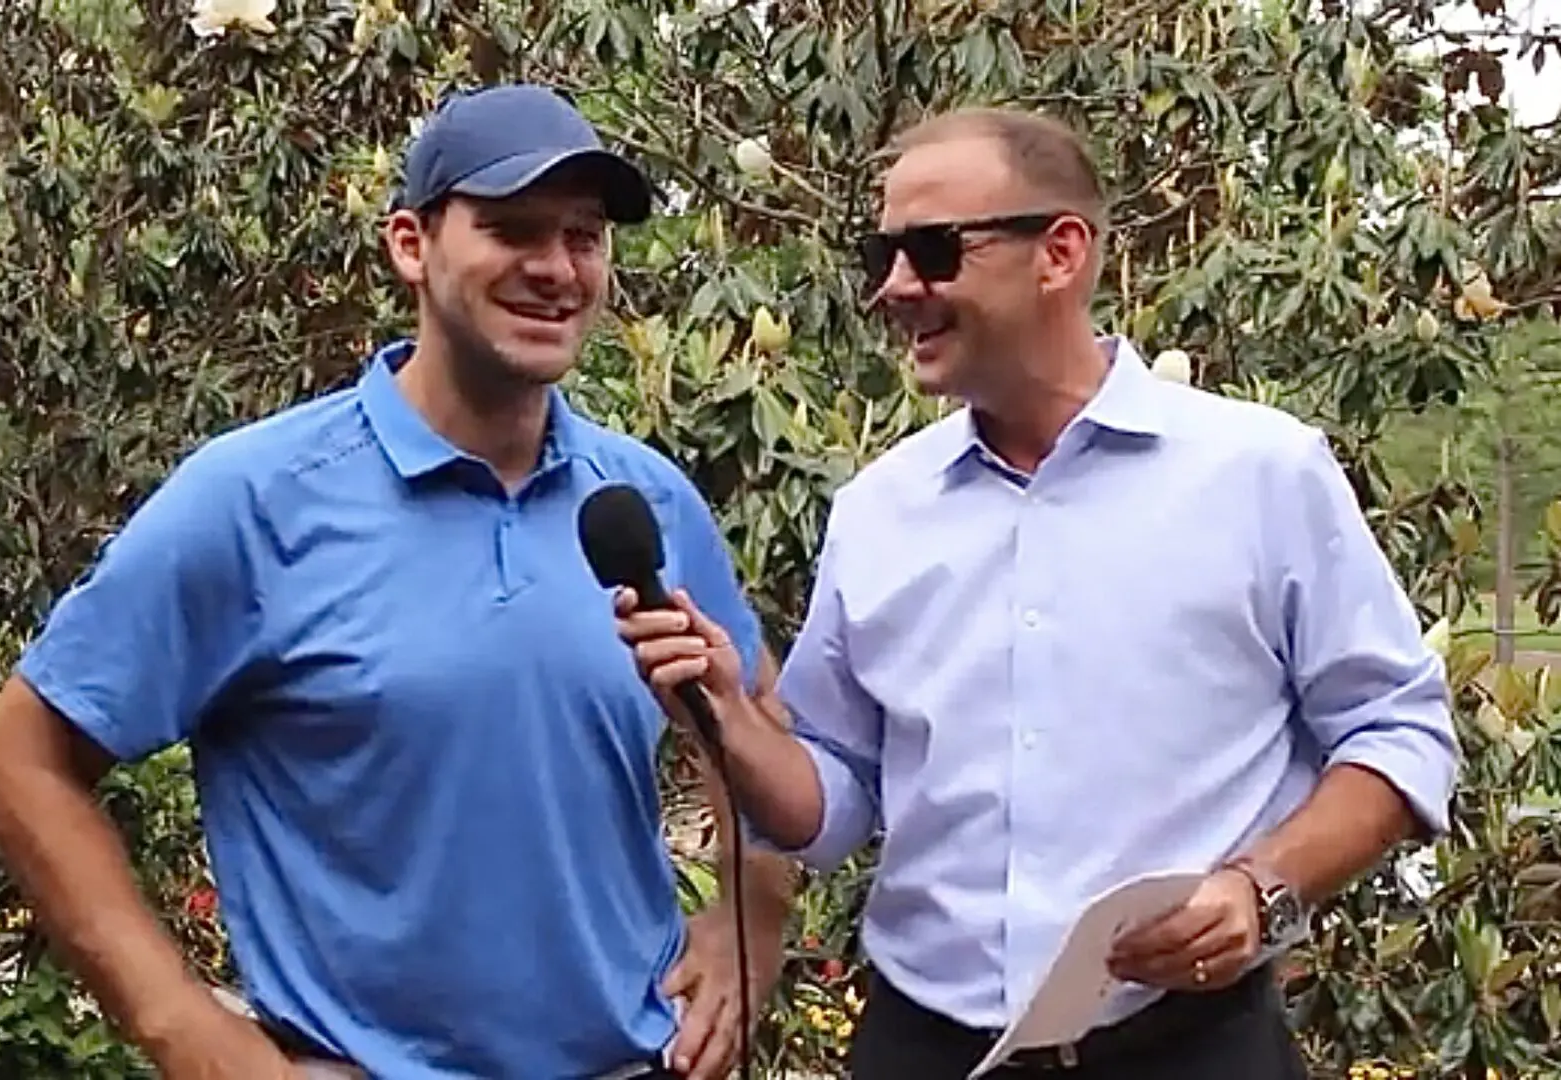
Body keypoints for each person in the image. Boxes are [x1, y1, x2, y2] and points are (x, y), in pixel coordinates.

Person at [0, 84, 796, 1080]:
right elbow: (19, 764)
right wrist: (189, 1033)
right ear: (412, 244)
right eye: (513, 230)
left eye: (584, 237)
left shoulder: (641, 498)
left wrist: (751, 918)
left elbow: (756, 716)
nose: (556, 268)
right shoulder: (255, 500)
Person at [615, 106, 1460, 1080]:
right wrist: (729, 715)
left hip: (1190, 1047)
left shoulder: (1261, 475)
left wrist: (1258, 891)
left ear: (1059, 252)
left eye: (932, 250)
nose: (894, 286)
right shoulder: (879, 511)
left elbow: (1398, 731)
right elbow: (837, 792)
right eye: (881, 252)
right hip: (921, 1046)